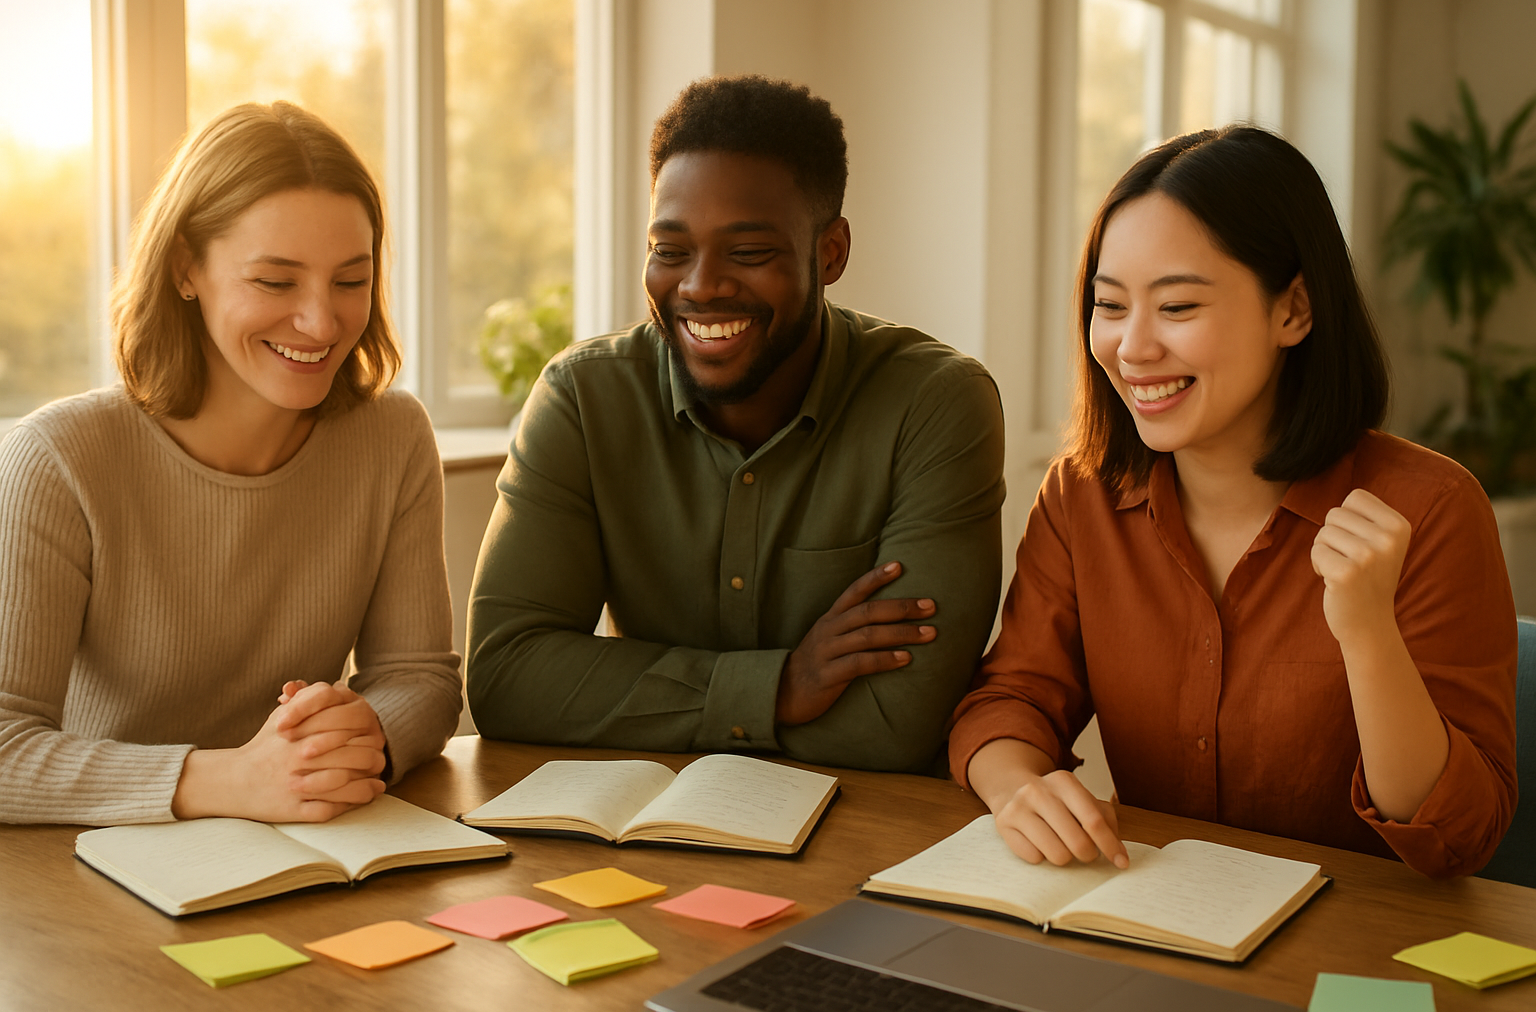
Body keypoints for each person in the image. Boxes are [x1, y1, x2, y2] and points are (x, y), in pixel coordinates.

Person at [948, 126, 1517, 879]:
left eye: (1177, 306)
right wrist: (1019, 786)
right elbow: (1011, 694)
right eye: (1110, 306)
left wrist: (1368, 633)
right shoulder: (1082, 494)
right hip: (1161, 933)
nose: (1132, 347)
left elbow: (1458, 834)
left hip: (1355, 955)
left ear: (1295, 310)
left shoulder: (1431, 509)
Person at [466, 76, 1005, 773]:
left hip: (876, 832)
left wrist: (633, 702)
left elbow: (894, 722)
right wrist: (777, 687)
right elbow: (507, 678)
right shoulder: (582, 399)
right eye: (671, 250)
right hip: (652, 830)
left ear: (831, 252)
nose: (699, 286)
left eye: (748, 253)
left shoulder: (934, 403)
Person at [0, 102, 462, 826]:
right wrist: (230, 781)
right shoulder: (57, 459)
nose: (322, 322)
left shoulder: (392, 436)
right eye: (276, 283)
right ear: (187, 267)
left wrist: (362, 732)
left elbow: (419, 679)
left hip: (307, 854)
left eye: (350, 280)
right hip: (89, 876)